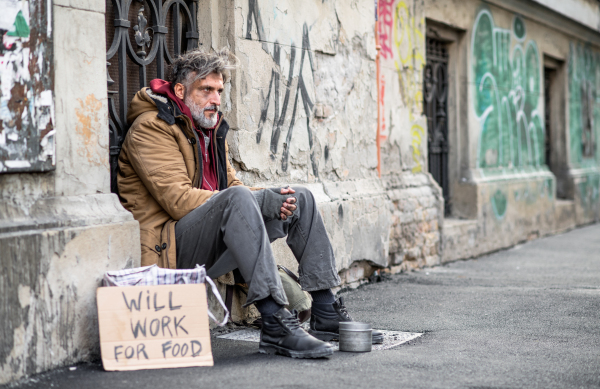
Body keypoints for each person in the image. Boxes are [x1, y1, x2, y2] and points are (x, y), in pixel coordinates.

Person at [118, 48, 381, 359]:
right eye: (205, 90)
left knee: (300, 198)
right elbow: (179, 200)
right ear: (180, 91)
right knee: (244, 199)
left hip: (206, 238)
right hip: (169, 248)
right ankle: (276, 325)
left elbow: (233, 187)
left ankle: (325, 311)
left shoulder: (209, 130)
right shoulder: (151, 128)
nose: (215, 99)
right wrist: (258, 199)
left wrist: (272, 199)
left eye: (218, 90)